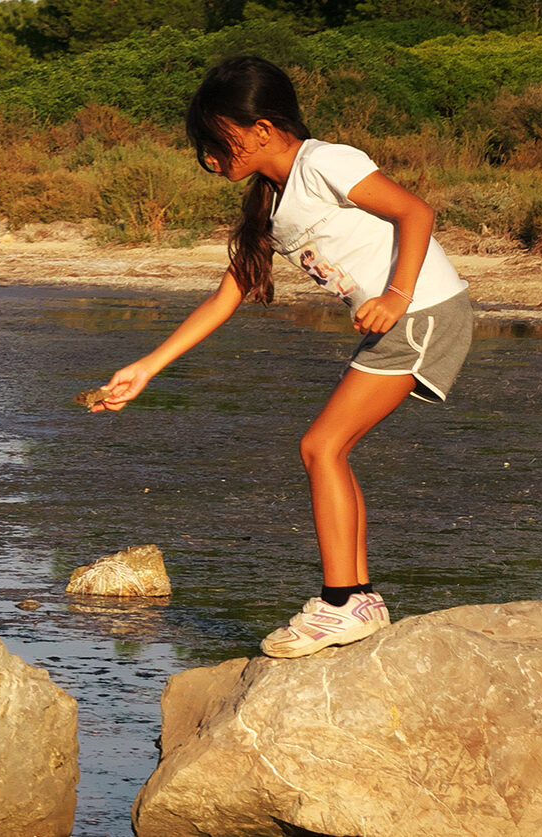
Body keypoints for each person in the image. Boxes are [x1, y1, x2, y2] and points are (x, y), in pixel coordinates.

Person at [91, 56, 472, 658]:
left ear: (262, 130)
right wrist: (146, 367)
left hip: (422, 310)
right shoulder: (270, 197)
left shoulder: (325, 161)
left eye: (216, 141)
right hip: (403, 317)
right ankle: (357, 601)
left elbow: (415, 212)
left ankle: (343, 603)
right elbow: (230, 294)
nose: (209, 158)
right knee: (329, 449)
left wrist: (396, 296)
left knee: (321, 447)